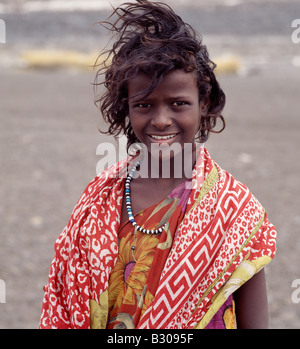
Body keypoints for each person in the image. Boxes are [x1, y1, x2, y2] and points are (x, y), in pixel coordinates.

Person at [39, 0, 276, 329]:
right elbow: (63, 301)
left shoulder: (234, 209)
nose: (161, 120)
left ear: (203, 104)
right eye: (144, 104)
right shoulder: (98, 199)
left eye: (179, 103)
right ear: (127, 107)